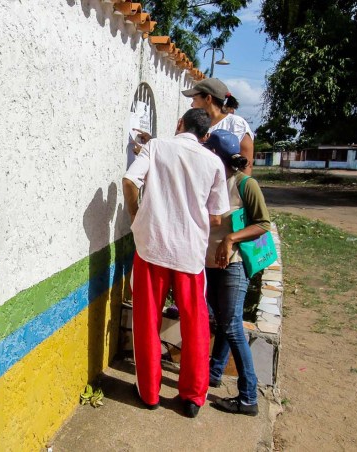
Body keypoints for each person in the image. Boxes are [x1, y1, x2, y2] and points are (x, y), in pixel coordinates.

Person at [122, 108, 230, 418]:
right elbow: (217, 215)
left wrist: (135, 214)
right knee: (195, 323)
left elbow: (130, 181)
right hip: (189, 255)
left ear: (178, 124)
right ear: (205, 135)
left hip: (152, 248)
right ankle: (193, 397)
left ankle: (149, 392)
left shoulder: (156, 147)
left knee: (147, 320)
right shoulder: (213, 163)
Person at [203, 129, 272, 416]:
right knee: (222, 322)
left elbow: (263, 225)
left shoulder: (245, 185)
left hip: (233, 266)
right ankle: (214, 373)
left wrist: (231, 239)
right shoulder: (210, 182)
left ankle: (248, 398)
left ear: (218, 157)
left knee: (232, 326)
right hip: (210, 264)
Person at [182, 78, 254, 175]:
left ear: (208, 99)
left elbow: (246, 166)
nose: (191, 105)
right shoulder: (194, 125)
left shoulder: (236, 125)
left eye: (194, 99)